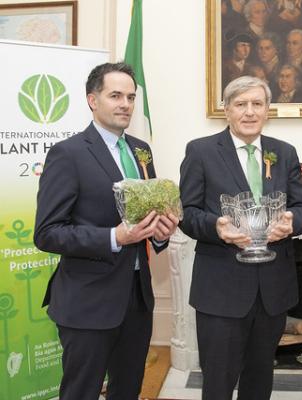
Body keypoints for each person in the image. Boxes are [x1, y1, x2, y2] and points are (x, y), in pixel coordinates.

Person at [33, 62, 179, 400]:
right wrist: (115, 237)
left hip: (137, 300)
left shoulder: (141, 150)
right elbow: (48, 232)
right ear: (92, 100)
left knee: (127, 390)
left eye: (130, 96)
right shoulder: (67, 154)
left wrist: (161, 231)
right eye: (115, 95)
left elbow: (145, 216)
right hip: (88, 302)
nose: (125, 104)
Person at [179, 75, 302, 400]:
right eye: (241, 104)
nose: (249, 112)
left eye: (257, 104)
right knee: (218, 384)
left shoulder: (285, 152)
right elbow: (187, 213)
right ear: (227, 110)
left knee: (260, 379)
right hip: (221, 289)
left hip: (272, 290)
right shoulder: (201, 151)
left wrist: (292, 223)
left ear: (268, 109)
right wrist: (217, 228)